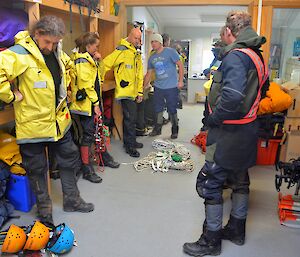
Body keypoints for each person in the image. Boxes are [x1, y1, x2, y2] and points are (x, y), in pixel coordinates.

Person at [183, 11, 268, 256]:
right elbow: (263, 90)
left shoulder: (235, 57)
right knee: (240, 180)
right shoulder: (257, 55)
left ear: (229, 32)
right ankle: (236, 231)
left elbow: (232, 96)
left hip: (229, 131)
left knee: (210, 184)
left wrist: (213, 119)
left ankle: (211, 241)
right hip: (248, 129)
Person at [0, 16, 94, 224]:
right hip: (33, 126)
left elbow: (68, 67)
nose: (50, 47)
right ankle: (45, 212)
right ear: (37, 33)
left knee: (70, 160)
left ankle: (72, 200)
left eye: (55, 42)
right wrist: (10, 95)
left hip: (59, 123)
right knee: (37, 169)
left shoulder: (58, 52)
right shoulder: (19, 54)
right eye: (47, 42)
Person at [70, 32, 120, 184]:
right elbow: (86, 86)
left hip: (93, 102)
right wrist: (96, 104)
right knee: (88, 135)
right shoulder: (81, 62)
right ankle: (86, 169)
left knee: (99, 130)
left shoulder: (91, 61)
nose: (98, 48)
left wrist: (100, 61)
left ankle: (102, 157)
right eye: (96, 45)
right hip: (86, 106)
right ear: (88, 46)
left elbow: (101, 76)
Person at [102, 28, 143, 158]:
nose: (138, 41)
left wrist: (140, 92)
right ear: (130, 36)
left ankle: (131, 141)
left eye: (139, 38)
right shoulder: (121, 51)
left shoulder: (135, 53)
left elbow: (139, 75)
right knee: (130, 119)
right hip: (125, 92)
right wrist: (98, 80)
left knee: (133, 118)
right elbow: (105, 64)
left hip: (134, 92)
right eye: (136, 38)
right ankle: (129, 146)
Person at [143, 33, 184, 139]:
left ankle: (175, 129)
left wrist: (180, 81)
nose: (153, 44)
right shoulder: (152, 57)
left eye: (155, 41)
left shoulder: (170, 52)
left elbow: (180, 65)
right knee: (158, 109)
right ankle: (157, 129)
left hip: (171, 87)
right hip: (158, 87)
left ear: (160, 42)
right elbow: (149, 73)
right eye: (152, 42)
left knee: (171, 109)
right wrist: (142, 87)